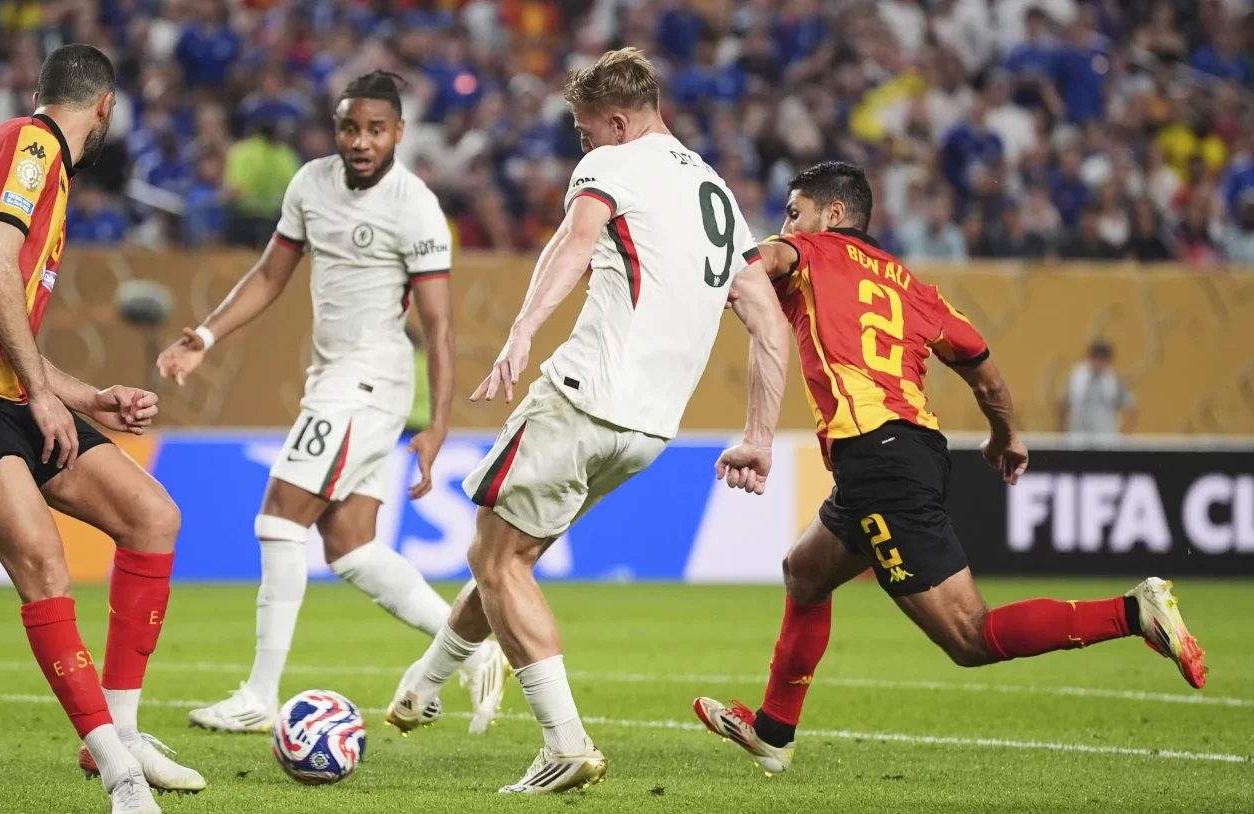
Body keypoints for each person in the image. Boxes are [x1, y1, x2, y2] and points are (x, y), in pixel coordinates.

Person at [691, 161, 1206, 776]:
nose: (787, 223)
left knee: (969, 636)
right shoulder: (912, 287)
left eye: (795, 212)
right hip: (908, 450)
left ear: (833, 214)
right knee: (804, 574)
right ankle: (774, 732)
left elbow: (762, 261)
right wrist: (1006, 435)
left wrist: (719, 262)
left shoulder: (808, 250)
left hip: (877, 456)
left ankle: (1133, 613)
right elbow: (985, 372)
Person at [381, 48, 783, 795]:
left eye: (585, 129)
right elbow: (768, 322)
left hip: (584, 397)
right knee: (507, 557)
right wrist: (759, 436)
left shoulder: (613, 164)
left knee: (497, 563)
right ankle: (423, 687)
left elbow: (572, 244)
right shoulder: (718, 195)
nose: (582, 143)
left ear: (619, 123)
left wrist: (522, 331)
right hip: (648, 430)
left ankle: (565, 744)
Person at [0, 44, 203, 814]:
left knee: (152, 516)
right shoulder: (32, 148)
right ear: (105, 106)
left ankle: (117, 736)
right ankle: (122, 777)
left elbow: (9, 332)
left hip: (3, 395)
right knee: (44, 561)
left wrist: (90, 397)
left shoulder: (42, 169)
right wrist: (42, 394)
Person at [157, 71, 505, 735]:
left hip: (368, 382)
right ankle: (473, 650)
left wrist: (438, 425)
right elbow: (270, 275)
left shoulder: (416, 207)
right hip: (333, 378)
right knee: (350, 549)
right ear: (336, 130)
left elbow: (439, 325)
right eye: (350, 127)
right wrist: (204, 336)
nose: (361, 141)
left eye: (375, 129)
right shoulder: (310, 184)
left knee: (279, 521)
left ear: (399, 132)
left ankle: (259, 696)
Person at [1059, 339, 1136, 440]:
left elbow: (1130, 407)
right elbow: (1062, 405)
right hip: (1077, 439)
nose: (1098, 363)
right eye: (1095, 358)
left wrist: (1124, 433)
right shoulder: (1075, 379)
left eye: (1102, 359)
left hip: (1106, 440)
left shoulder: (1115, 381)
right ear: (1088, 358)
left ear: (1109, 361)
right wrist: (1062, 431)